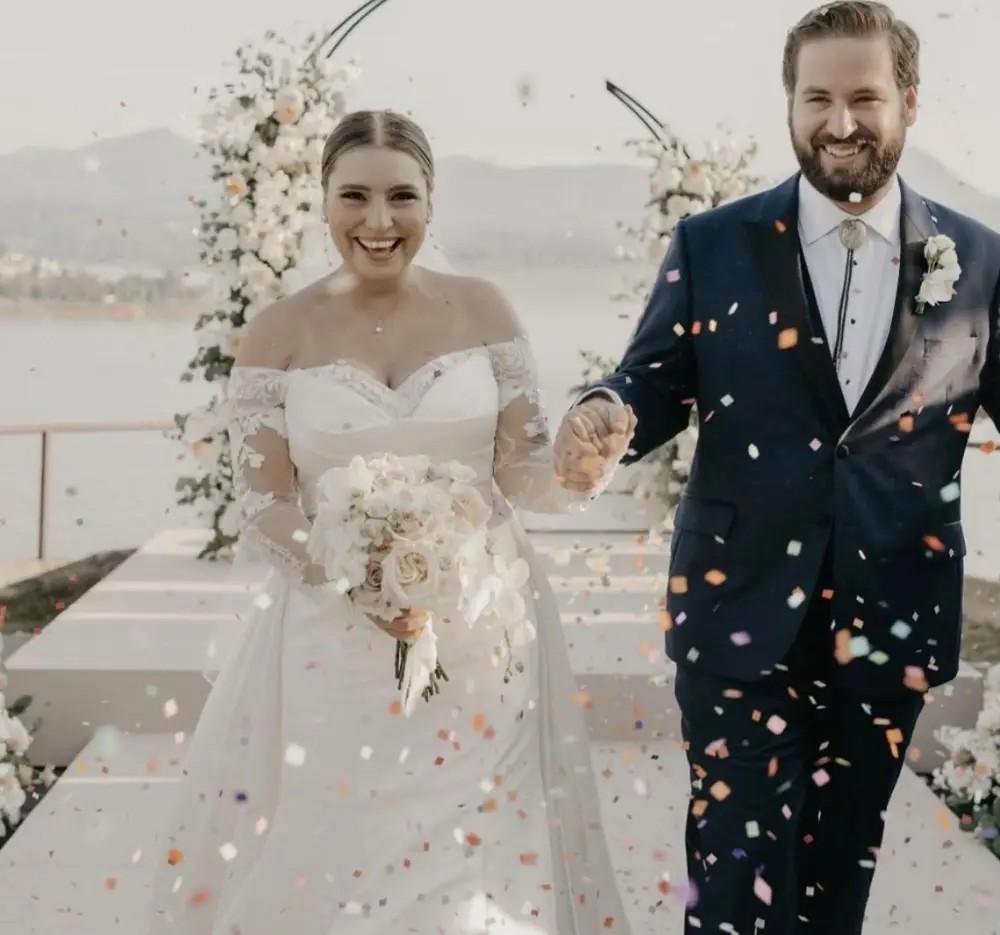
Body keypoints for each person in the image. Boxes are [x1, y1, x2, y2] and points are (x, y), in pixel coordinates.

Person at [555, 2, 1000, 933]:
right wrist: (604, 414)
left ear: (909, 103)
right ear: (788, 105)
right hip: (737, 610)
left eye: (865, 98)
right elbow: (648, 384)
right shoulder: (713, 244)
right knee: (732, 878)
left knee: (834, 882)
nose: (841, 123)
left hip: (890, 621)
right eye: (819, 98)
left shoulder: (982, 261)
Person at [147, 108, 636, 934]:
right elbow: (263, 506)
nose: (379, 222)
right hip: (330, 640)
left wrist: (578, 472)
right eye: (356, 196)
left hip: (484, 638)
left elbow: (520, 474)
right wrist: (354, 575)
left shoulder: (484, 310)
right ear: (324, 200)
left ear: (431, 204)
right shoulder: (277, 332)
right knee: (338, 846)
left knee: (474, 859)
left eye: (401, 196)